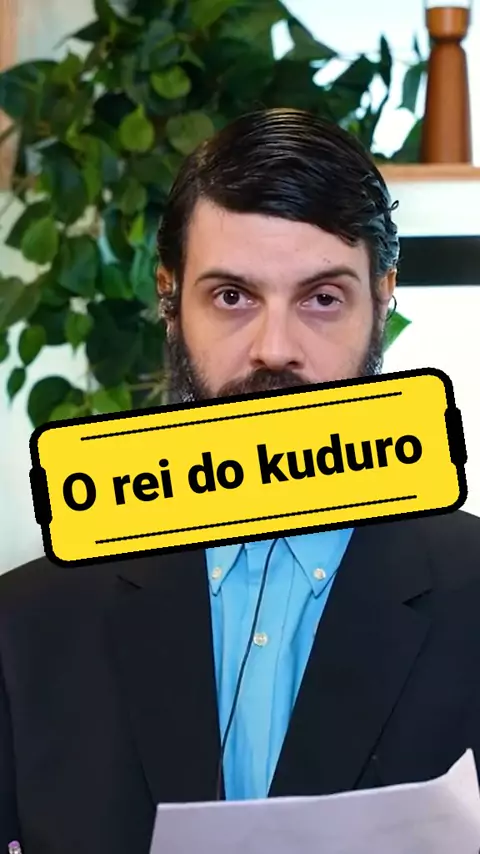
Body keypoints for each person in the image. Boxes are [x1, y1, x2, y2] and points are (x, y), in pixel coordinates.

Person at [1, 108, 480, 854]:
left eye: (322, 298)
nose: (275, 348)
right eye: (232, 297)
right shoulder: (25, 629)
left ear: (383, 300)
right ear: (170, 299)